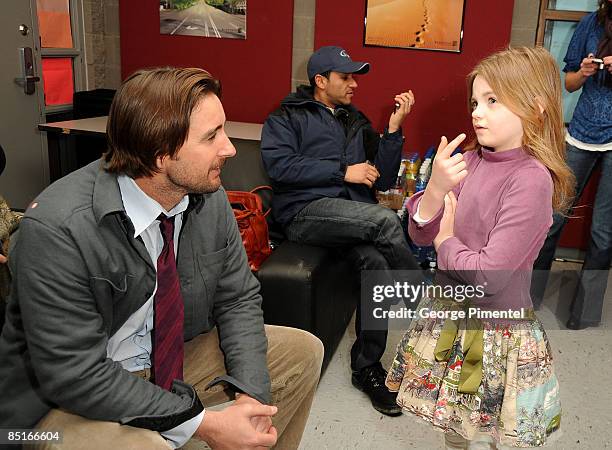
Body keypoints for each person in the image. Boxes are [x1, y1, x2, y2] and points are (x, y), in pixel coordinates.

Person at [0, 67, 324, 450]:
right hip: (65, 402)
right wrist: (201, 423)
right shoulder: (58, 230)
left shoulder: (208, 197)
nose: (230, 147)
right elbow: (75, 375)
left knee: (302, 352)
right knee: (147, 446)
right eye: (211, 136)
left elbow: (237, 298)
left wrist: (251, 397)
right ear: (160, 154)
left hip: (162, 360)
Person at [386, 46, 573, 448]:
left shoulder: (531, 180)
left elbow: (488, 276)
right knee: (455, 422)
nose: (477, 112)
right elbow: (419, 233)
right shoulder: (470, 161)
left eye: (492, 101)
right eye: (475, 101)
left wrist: (445, 240)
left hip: (494, 330)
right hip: (450, 316)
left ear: (536, 107)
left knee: (490, 427)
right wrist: (434, 190)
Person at [260, 45, 423, 417]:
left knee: (378, 265)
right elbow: (281, 167)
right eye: (345, 77)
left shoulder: (356, 120)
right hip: (305, 212)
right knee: (385, 220)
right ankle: (425, 305)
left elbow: (380, 171)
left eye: (354, 77)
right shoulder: (288, 116)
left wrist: (394, 128)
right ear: (320, 81)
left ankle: (366, 368)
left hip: (351, 216)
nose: (353, 84)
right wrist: (342, 171)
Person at [531, 0, 612, 330]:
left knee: (603, 233)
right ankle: (527, 298)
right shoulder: (590, 24)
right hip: (580, 134)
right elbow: (569, 83)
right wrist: (583, 72)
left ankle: (584, 315)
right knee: (552, 218)